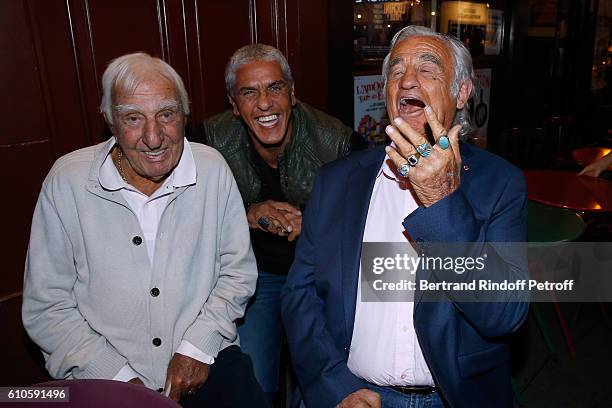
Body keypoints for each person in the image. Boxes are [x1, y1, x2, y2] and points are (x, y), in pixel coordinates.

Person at [281, 26, 529, 408]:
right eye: (396, 72)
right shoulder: (335, 181)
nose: (408, 79)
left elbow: (503, 314)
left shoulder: (501, 184)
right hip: (352, 393)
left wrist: (442, 201)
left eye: (428, 70)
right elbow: (300, 294)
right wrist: (334, 386)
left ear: (462, 93)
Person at [22, 52, 270, 408]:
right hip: (100, 374)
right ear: (109, 120)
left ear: (185, 116)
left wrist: (197, 347)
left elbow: (237, 273)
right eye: (133, 119)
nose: (153, 138)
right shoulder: (67, 182)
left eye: (166, 115)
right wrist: (118, 378)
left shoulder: (211, 169)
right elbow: (47, 306)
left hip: (206, 359)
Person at [196, 44, 363, 399]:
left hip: (322, 273)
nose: (265, 103)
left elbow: (367, 220)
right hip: (255, 276)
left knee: (331, 380)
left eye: (274, 88)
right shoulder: (207, 143)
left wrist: (318, 229)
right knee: (252, 381)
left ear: (292, 93)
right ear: (234, 104)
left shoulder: (339, 142)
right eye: (248, 92)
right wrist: (248, 214)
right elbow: (188, 214)